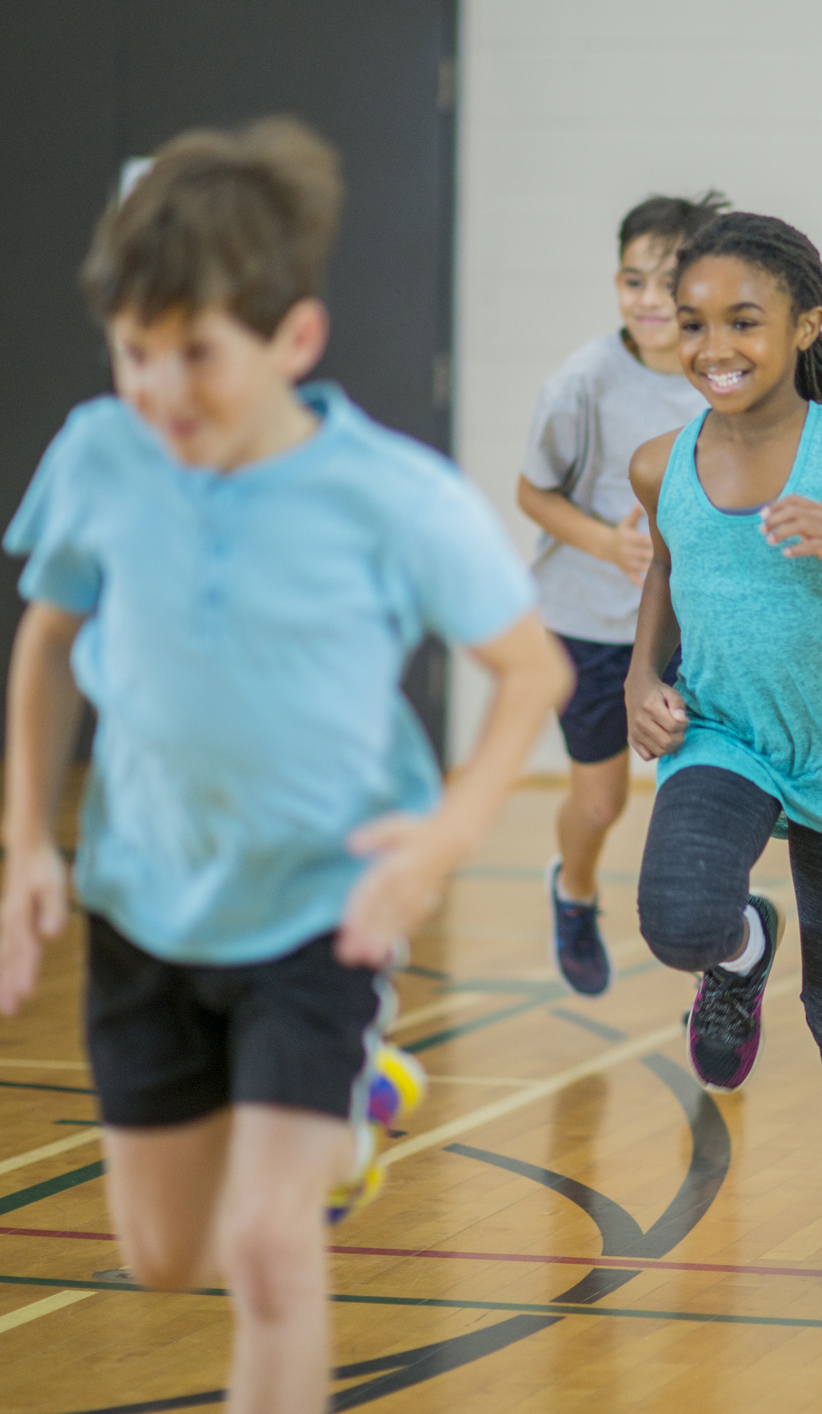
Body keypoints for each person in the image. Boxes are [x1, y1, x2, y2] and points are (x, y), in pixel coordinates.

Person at [0, 118, 570, 1413]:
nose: (160, 388)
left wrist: (440, 840)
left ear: (293, 340)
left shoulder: (395, 498)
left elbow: (529, 670)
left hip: (325, 909)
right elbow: (47, 638)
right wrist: (27, 840)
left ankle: (326, 1109)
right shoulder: (100, 454)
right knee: (159, 1259)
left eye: (196, 352)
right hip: (144, 900)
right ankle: (352, 1113)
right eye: (134, 352)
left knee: (268, 1250)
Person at [624, 212, 822, 1289]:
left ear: (807, 322)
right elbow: (666, 572)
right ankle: (734, 954)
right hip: (722, 734)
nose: (714, 344)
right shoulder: (656, 462)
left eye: (744, 321)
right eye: (693, 322)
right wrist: (641, 676)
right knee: (677, 914)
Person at [517, 190, 727, 996]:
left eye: (666, 283)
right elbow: (532, 493)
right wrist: (607, 542)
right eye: (632, 281)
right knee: (599, 805)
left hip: (691, 632)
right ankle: (573, 890)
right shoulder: (580, 383)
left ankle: (721, 968)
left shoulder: (721, 375)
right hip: (589, 626)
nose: (648, 300)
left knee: (709, 808)